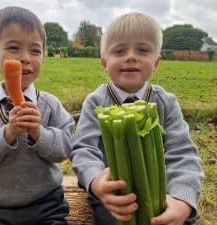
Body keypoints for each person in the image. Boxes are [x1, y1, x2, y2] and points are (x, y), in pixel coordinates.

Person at [70, 12, 204, 225]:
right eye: (119, 51)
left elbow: (183, 154)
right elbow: (83, 149)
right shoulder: (96, 102)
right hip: (115, 196)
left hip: (163, 194)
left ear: (156, 62)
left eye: (142, 50)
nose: (131, 56)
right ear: (104, 63)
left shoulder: (166, 102)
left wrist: (181, 200)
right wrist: (96, 182)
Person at [0, 6, 74, 225]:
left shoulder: (50, 105)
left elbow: (65, 148)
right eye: (13, 48)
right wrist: (6, 134)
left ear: (44, 54)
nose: (25, 58)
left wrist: (39, 133)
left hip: (46, 205)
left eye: (35, 50)